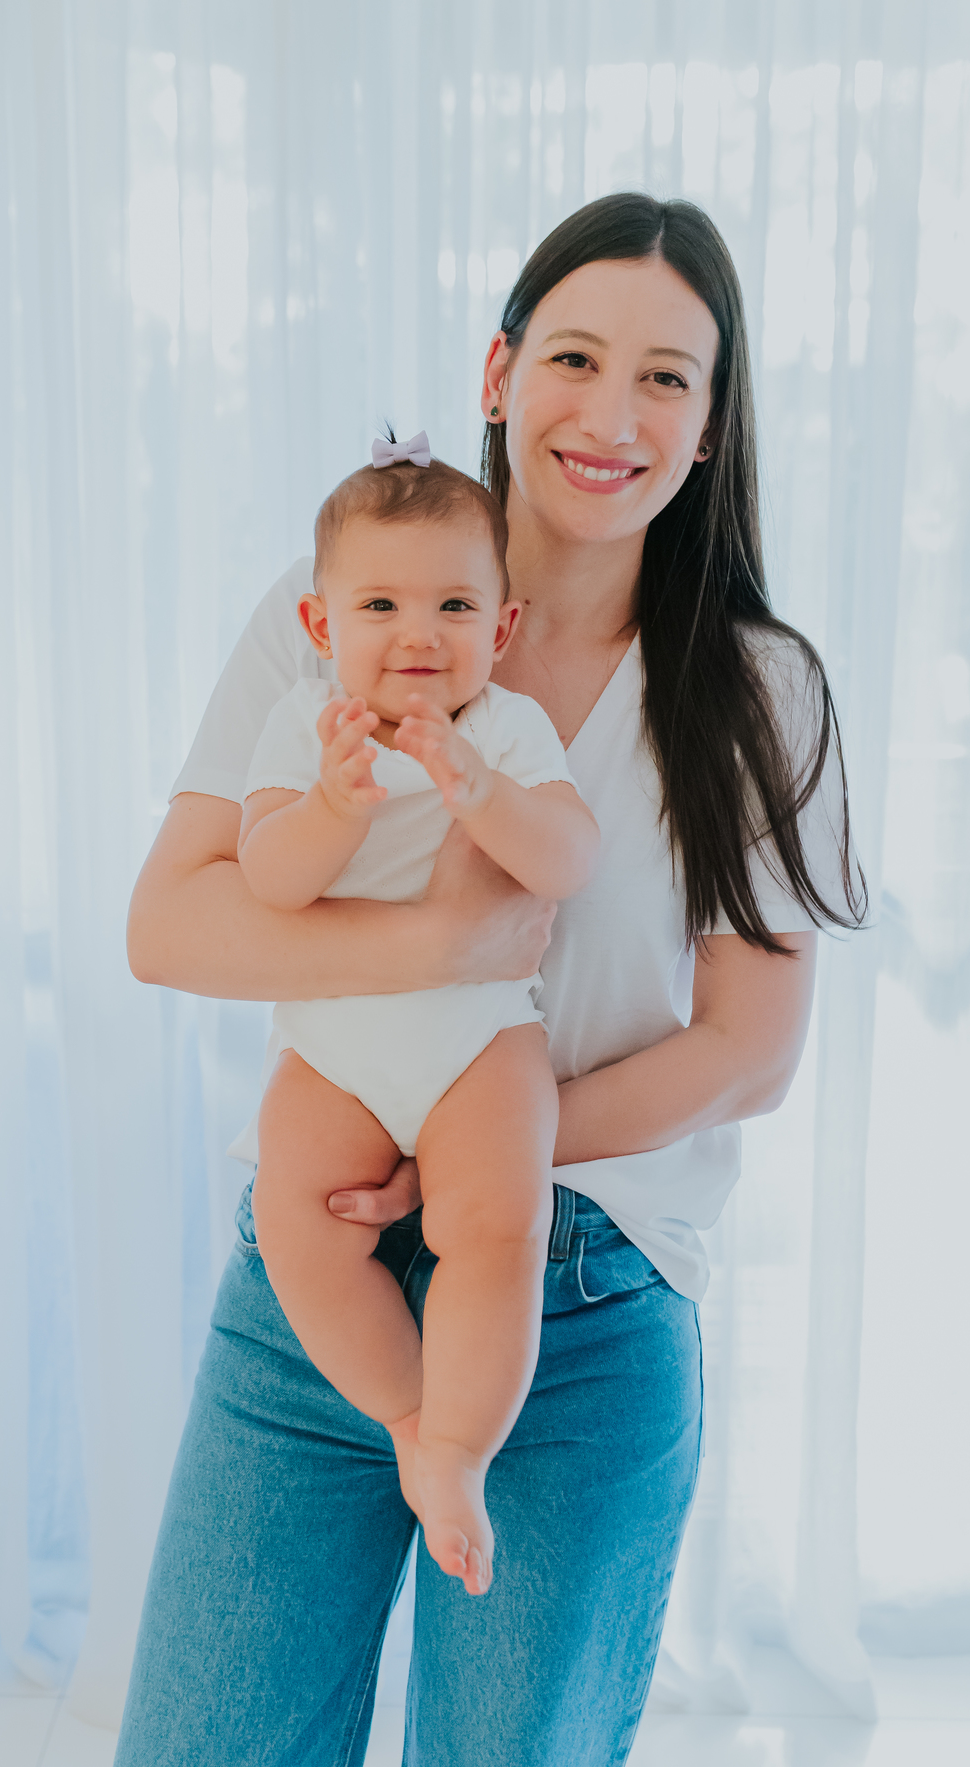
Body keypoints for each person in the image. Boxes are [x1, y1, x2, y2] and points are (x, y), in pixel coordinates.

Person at [115, 192, 866, 1767]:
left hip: (583, 1298)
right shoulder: (332, 612)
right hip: (310, 1269)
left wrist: (475, 1153)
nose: (613, 412)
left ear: (715, 426)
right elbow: (172, 924)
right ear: (500, 369)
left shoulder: (759, 686)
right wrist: (438, 964)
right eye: (577, 356)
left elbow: (750, 1050)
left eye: (670, 376)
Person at [239, 447, 600, 1598]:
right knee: (294, 1215)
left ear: (499, 629)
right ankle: (407, 1413)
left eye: (453, 606)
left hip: (477, 1035)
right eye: (381, 605)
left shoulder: (507, 729)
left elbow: (569, 858)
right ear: (320, 620)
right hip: (336, 1043)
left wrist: (479, 790)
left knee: (499, 1224)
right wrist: (333, 810)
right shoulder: (308, 726)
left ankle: (464, 1442)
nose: (418, 635)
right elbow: (268, 877)